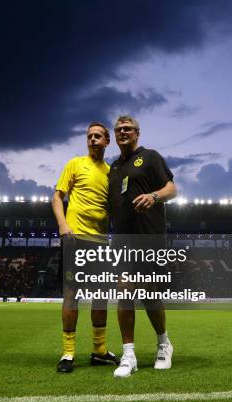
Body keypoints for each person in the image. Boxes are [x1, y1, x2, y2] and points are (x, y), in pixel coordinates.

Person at [107, 115, 177, 378]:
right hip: (122, 241)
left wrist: (154, 196)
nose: (123, 133)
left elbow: (172, 188)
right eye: (119, 130)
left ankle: (164, 344)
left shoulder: (150, 157)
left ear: (137, 133)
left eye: (128, 129)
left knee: (150, 294)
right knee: (124, 292)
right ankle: (129, 355)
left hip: (149, 237)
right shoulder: (113, 168)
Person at [52, 121, 120, 373]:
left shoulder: (112, 173)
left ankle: (99, 351)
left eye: (97, 136)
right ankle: (68, 353)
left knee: (101, 296)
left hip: (100, 242)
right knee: (71, 295)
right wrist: (62, 224)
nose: (92, 139)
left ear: (106, 141)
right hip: (75, 239)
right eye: (89, 136)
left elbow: (115, 208)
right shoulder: (74, 164)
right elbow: (57, 197)